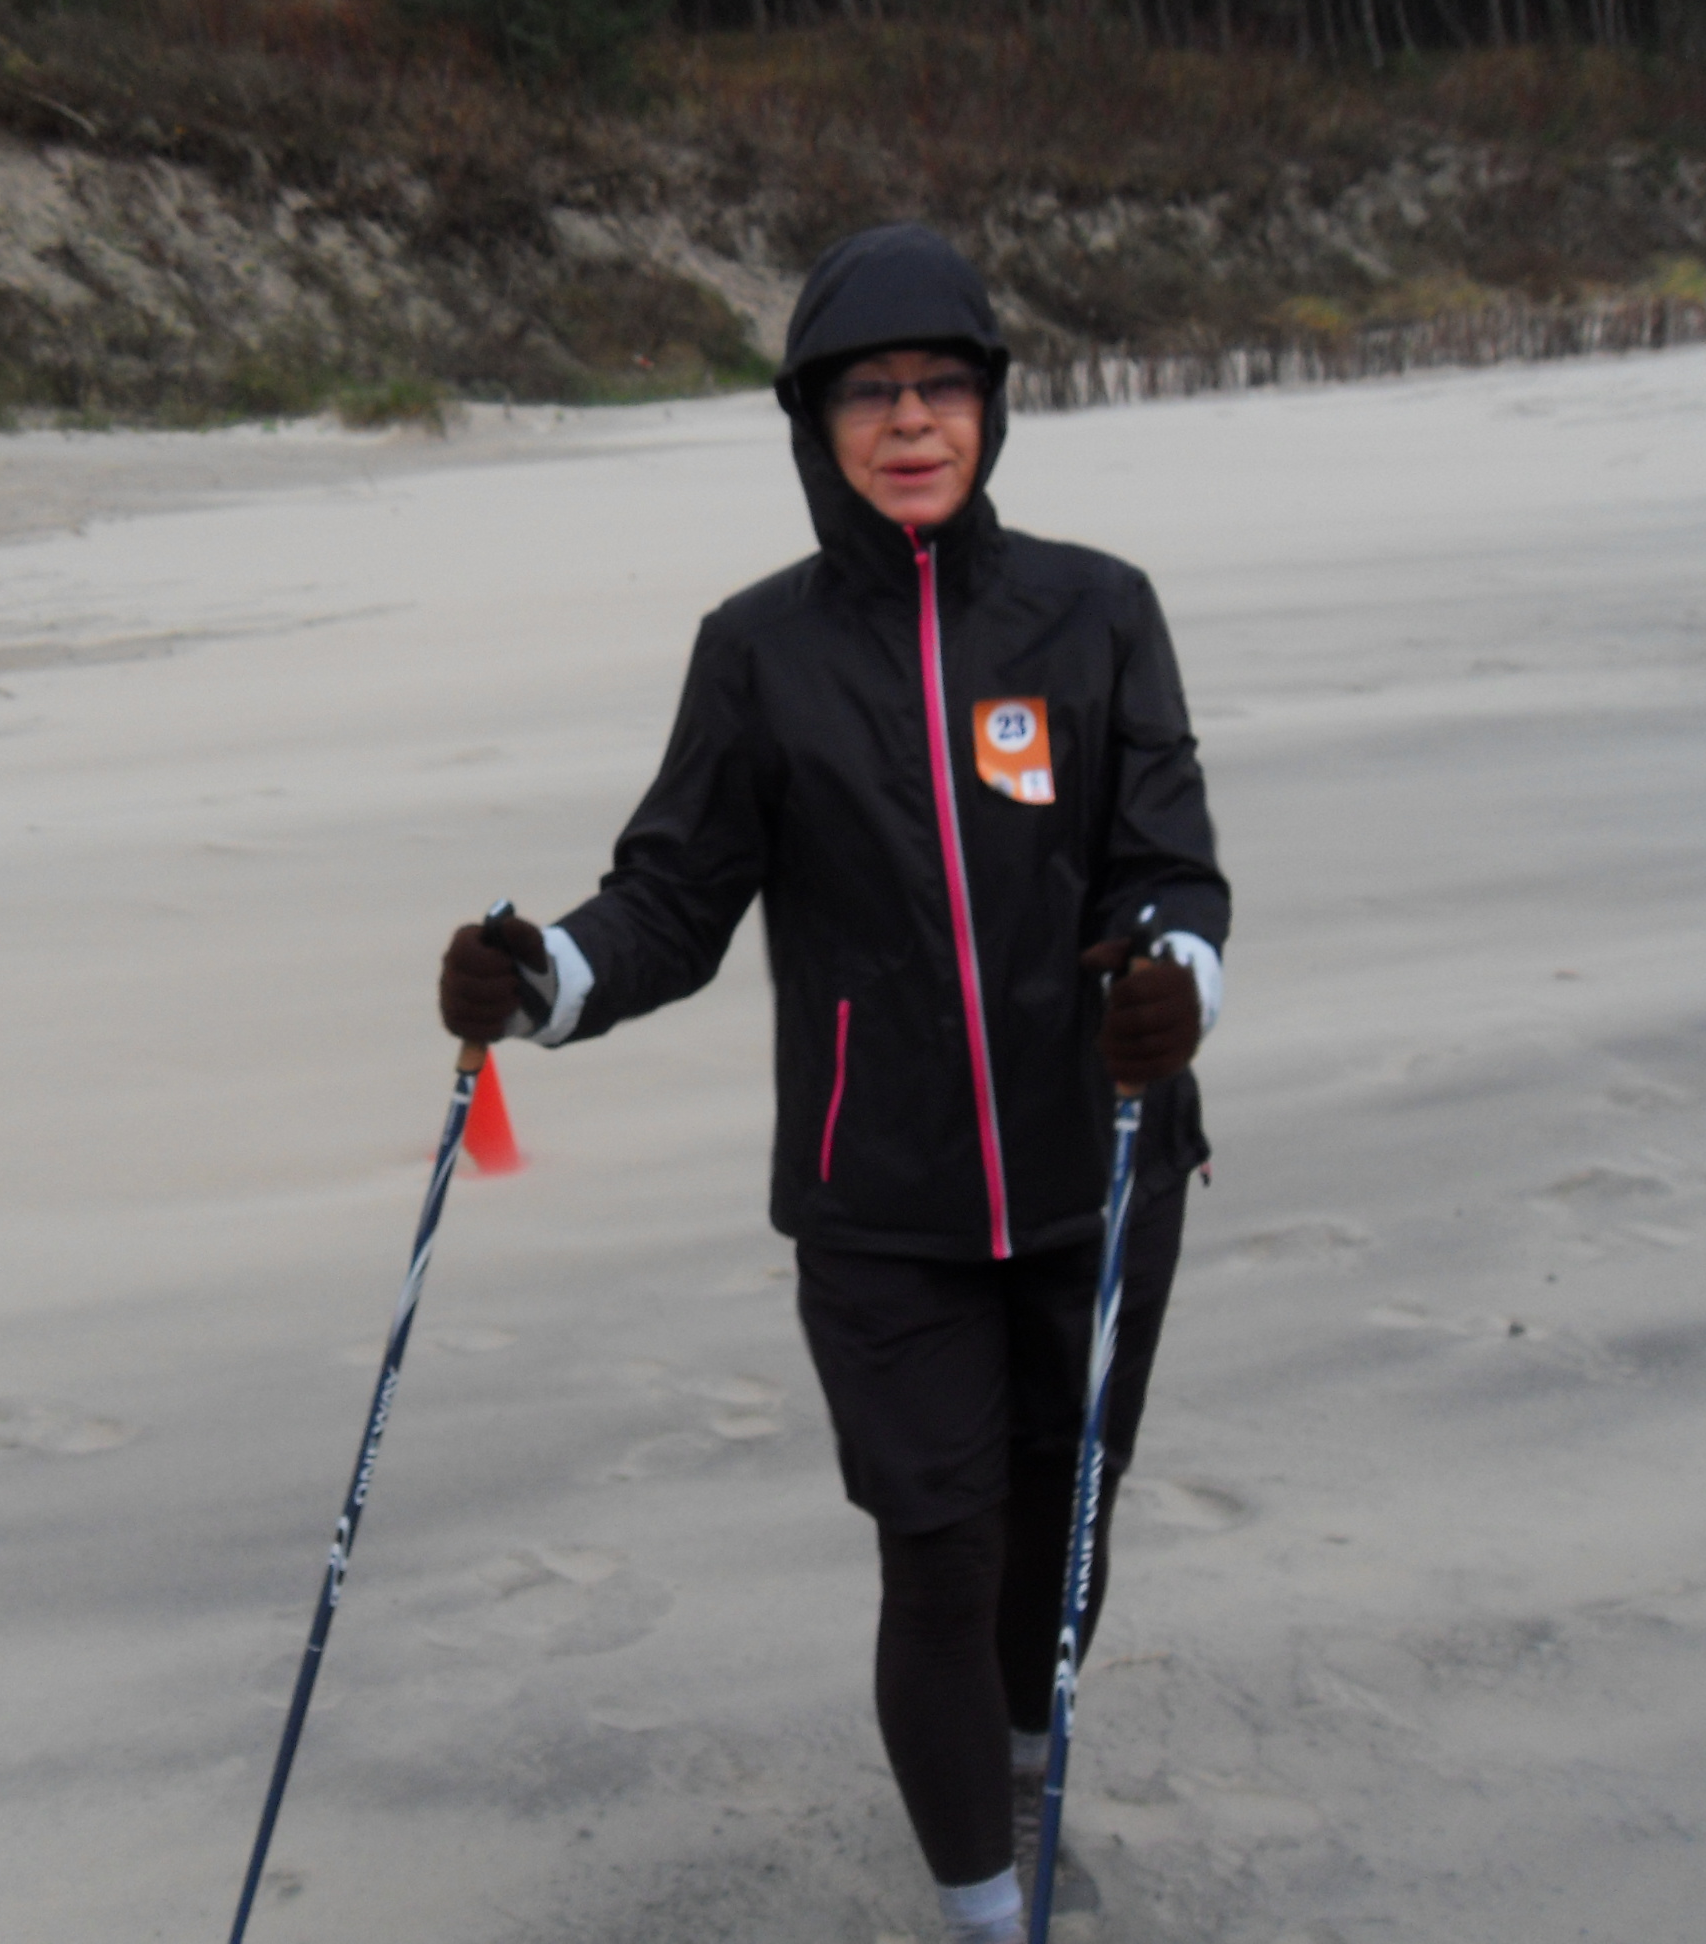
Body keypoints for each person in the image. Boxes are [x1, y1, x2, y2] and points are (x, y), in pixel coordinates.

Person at [436, 224, 1230, 1944]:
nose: (910, 419)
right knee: (939, 1543)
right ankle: (985, 1905)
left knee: (1062, 1512)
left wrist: (1173, 984)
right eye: (868, 392)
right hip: (880, 1200)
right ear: (813, 423)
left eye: (942, 384)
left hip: (1101, 1167)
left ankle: (1025, 1762)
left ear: (992, 404)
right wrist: (541, 976)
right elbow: (672, 896)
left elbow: (1169, 865)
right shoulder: (759, 650)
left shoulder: (1098, 609)